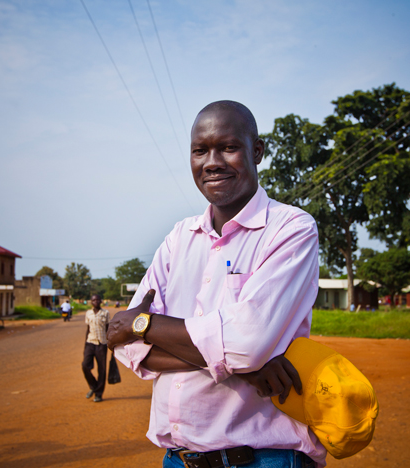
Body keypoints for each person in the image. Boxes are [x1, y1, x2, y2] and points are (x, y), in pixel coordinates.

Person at [109, 101, 326, 467]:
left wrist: (143, 324)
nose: (212, 161)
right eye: (200, 150)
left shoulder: (290, 229)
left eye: (228, 147)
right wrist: (244, 364)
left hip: (262, 458)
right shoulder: (180, 238)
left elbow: (247, 344)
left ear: (256, 151)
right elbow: (127, 347)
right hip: (179, 459)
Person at [82, 294, 110, 402]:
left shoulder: (105, 313)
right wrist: (85, 345)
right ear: (91, 302)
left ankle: (99, 394)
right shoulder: (88, 313)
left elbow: (108, 329)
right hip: (90, 342)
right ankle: (93, 386)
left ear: (101, 301)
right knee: (85, 366)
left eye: (98, 300)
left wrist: (110, 344)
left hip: (102, 344)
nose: (96, 301)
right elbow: (88, 328)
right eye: (93, 300)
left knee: (102, 370)